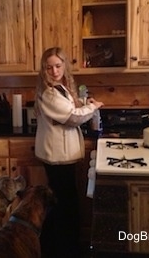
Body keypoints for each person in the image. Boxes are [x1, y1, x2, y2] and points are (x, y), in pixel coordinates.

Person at [34, 47, 104, 258]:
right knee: (64, 204)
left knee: (63, 202)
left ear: (64, 66)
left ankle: (57, 247)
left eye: (58, 66)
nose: (54, 71)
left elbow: (70, 105)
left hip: (61, 156)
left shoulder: (59, 88)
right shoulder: (48, 92)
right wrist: (94, 107)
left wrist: (85, 103)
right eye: (49, 67)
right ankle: (62, 249)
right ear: (44, 70)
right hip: (57, 157)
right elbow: (72, 117)